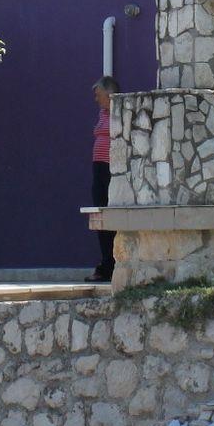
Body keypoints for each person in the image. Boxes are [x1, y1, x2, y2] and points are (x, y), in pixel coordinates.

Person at [89, 75, 119, 282]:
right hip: (99, 168)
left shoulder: (119, 112)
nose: (96, 99)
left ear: (109, 94)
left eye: (98, 95)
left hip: (111, 169)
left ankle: (112, 262)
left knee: (111, 214)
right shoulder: (103, 113)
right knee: (100, 213)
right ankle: (106, 260)